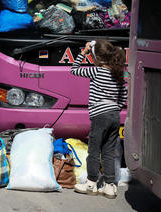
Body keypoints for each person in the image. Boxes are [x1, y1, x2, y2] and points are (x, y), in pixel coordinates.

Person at [71, 39, 127, 199]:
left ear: (96, 58)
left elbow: (74, 70)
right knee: (109, 151)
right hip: (114, 115)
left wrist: (83, 52)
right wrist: (116, 108)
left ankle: (91, 183)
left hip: (100, 116)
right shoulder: (117, 73)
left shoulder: (96, 71)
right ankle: (110, 186)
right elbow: (124, 94)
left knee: (94, 151)